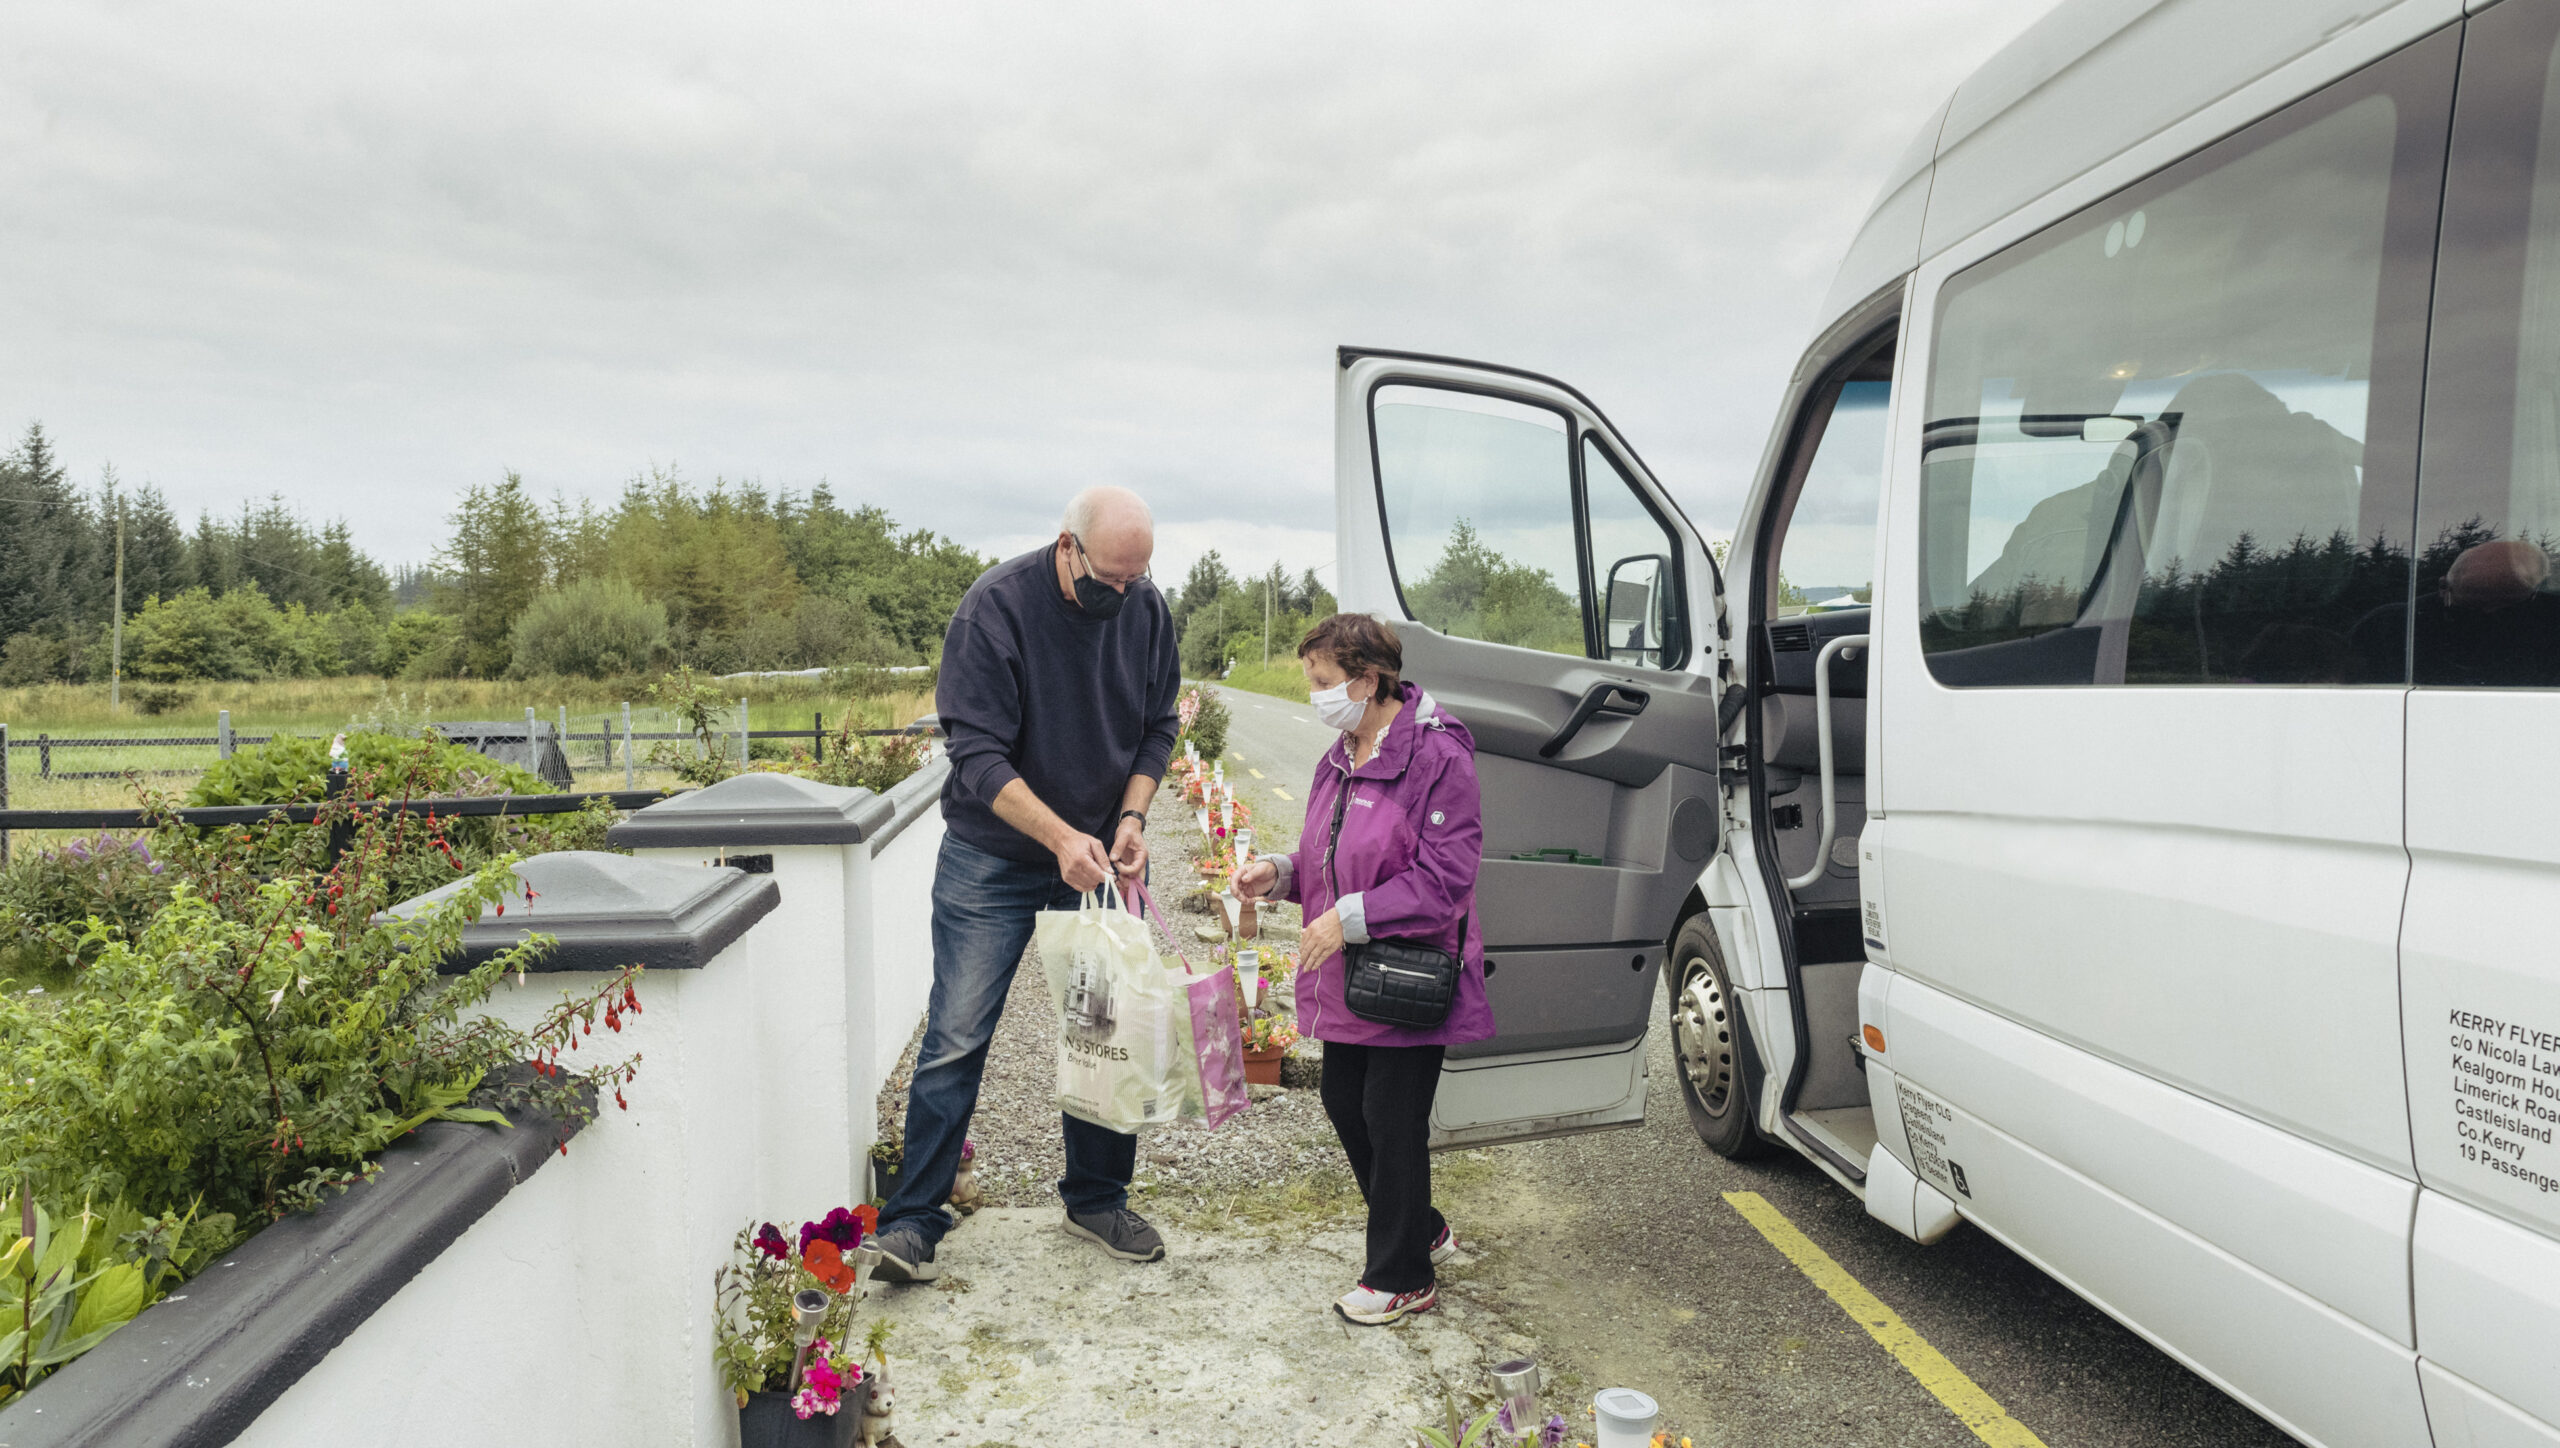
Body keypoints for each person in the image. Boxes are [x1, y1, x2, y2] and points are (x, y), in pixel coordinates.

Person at [870, 485, 1180, 1284]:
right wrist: (1058, 837)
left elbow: (1158, 724)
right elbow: (976, 756)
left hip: (1099, 859)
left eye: (1135, 581)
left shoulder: (1145, 608)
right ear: (1067, 546)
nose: (1121, 597)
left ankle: (1097, 1199)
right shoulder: (994, 611)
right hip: (993, 860)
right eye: (1109, 579)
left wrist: (1134, 817)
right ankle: (913, 1222)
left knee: (1102, 1030)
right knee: (958, 1034)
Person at [1234, 613, 1494, 1324]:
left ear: (1368, 679)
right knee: (1344, 1102)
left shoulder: (1440, 758)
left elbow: (1445, 881)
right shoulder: (1342, 752)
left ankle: (1402, 1274)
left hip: (1409, 971)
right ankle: (1424, 1227)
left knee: (1390, 1114)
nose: (1316, 696)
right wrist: (1279, 874)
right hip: (1356, 972)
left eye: (1323, 682)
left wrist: (1343, 920)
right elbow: (1330, 852)